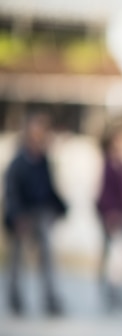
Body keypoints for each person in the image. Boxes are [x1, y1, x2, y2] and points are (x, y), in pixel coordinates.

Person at [2, 111, 67, 316]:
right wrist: (17, 216)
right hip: (22, 214)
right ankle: (15, 298)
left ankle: (50, 298)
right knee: (17, 257)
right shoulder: (19, 162)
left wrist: (61, 208)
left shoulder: (43, 161)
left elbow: (49, 190)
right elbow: (11, 192)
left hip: (40, 213)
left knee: (47, 253)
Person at [95, 121, 122, 311]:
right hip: (112, 217)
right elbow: (103, 194)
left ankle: (119, 292)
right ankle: (111, 292)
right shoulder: (108, 165)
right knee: (116, 255)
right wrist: (110, 214)